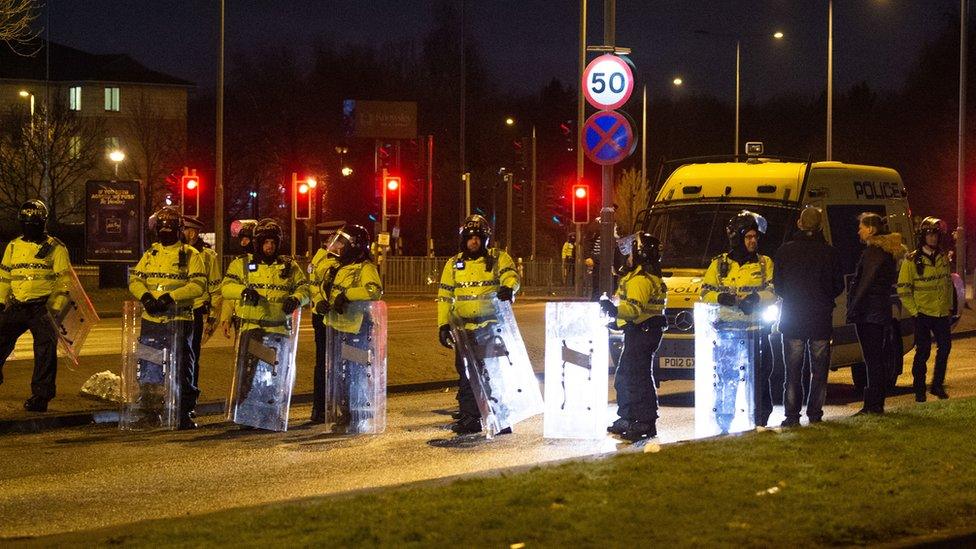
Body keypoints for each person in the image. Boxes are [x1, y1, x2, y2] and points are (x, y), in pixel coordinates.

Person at [436, 214, 520, 435]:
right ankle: (470, 418)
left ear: (485, 239)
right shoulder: (453, 264)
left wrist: (509, 288)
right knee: (466, 375)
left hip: (490, 327)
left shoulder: (498, 258)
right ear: (463, 239)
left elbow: (511, 276)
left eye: (478, 237)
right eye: (470, 237)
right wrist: (443, 325)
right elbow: (445, 296)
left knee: (494, 374)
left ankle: (501, 418)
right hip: (464, 330)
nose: (473, 241)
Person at [128, 207, 207, 429]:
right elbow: (136, 280)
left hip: (179, 319)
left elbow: (198, 285)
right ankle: (150, 411)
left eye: (169, 228)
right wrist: (145, 297)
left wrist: (170, 298)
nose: (165, 232)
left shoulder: (191, 255)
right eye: (161, 228)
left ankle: (183, 412)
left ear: (178, 230)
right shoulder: (150, 254)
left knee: (182, 367)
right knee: (149, 366)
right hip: (151, 319)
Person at [221, 218, 309, 410]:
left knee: (274, 374)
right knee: (249, 374)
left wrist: (296, 298)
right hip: (253, 328)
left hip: (279, 330)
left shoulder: (289, 266)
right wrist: (243, 292)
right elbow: (226, 288)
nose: (269, 247)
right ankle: (245, 410)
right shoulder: (242, 264)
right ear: (258, 243)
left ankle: (270, 411)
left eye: (273, 242)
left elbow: (305, 290)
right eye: (265, 242)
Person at [700, 210, 776, 429]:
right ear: (737, 238)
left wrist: (755, 298)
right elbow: (705, 293)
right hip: (727, 332)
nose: (753, 241)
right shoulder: (719, 264)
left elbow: (773, 291)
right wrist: (722, 297)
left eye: (755, 237)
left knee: (760, 379)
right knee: (727, 377)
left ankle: (760, 421)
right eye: (748, 237)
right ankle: (724, 422)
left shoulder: (764, 263)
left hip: (757, 331)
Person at [772, 207, 845, 426]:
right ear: (821, 226)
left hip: (793, 318)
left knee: (792, 372)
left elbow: (779, 286)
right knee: (819, 371)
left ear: (799, 224)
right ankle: (815, 413)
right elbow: (838, 286)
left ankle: (792, 415)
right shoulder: (829, 253)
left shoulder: (785, 251)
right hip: (820, 318)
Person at [0, 200, 72, 412]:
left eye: (34, 224)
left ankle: (41, 396)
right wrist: (1, 301)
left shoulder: (56, 248)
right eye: (26, 224)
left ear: (43, 223)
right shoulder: (13, 246)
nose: (30, 228)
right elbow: (4, 276)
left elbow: (64, 281)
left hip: (42, 307)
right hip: (18, 304)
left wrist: (55, 308)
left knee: (44, 353)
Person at [311, 224, 383, 426]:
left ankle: (357, 409)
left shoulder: (365, 267)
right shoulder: (336, 267)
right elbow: (318, 287)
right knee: (339, 372)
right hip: (336, 328)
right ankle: (342, 410)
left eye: (342, 243)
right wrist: (320, 302)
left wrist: (347, 295)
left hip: (356, 329)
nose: (338, 247)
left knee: (355, 372)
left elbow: (374, 291)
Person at [601, 232, 668, 442]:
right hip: (641, 331)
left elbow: (633, 310)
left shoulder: (640, 280)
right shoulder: (639, 277)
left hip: (643, 331)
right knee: (626, 376)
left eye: (629, 254)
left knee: (637, 377)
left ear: (639, 254)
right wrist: (617, 319)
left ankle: (644, 422)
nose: (626, 258)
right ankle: (628, 417)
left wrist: (613, 311)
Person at [846, 212, 905, 415]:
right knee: (876, 358)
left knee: (872, 360)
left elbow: (864, 283)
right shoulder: (885, 252)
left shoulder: (873, 253)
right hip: (878, 311)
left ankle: (873, 405)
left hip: (869, 313)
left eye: (862, 227)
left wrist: (853, 307)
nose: (858, 231)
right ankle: (875, 403)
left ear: (871, 229)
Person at [897, 216, 953, 402]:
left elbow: (946, 283)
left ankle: (937, 385)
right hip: (922, 313)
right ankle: (919, 389)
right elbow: (904, 289)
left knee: (945, 347)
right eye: (929, 234)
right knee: (923, 352)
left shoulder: (943, 257)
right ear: (923, 236)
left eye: (936, 235)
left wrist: (949, 307)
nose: (933, 238)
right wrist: (915, 312)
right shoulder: (911, 260)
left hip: (941, 313)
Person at [182, 217, 222, 391]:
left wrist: (213, 318)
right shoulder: (176, 251)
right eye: (186, 230)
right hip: (173, 310)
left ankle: (190, 393)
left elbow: (215, 289)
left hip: (196, 311)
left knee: (192, 357)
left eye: (192, 231)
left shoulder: (207, 256)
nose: (189, 234)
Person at [218, 220, 256, 339]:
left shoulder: (271, 263)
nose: (243, 242)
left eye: (247, 239)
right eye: (242, 239)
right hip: (242, 318)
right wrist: (226, 319)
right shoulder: (238, 263)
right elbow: (229, 294)